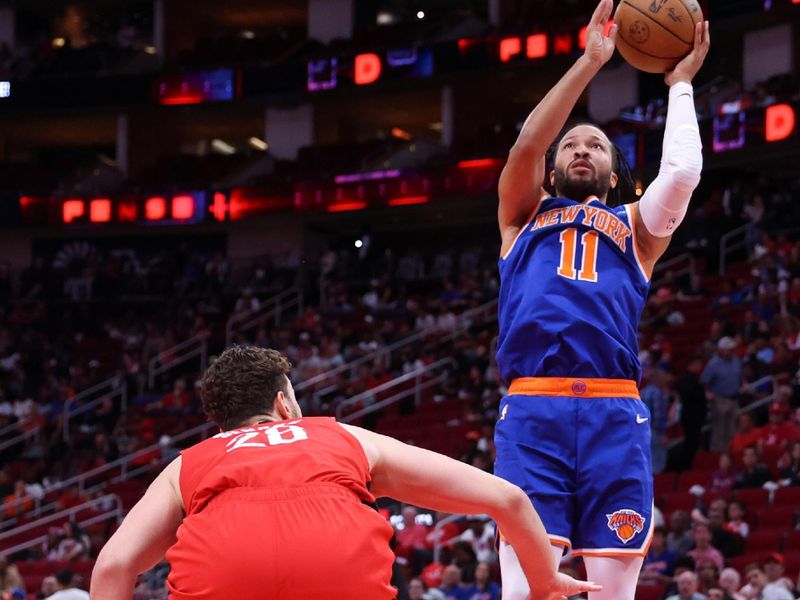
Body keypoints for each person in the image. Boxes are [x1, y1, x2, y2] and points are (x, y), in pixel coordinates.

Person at [493, 0, 710, 595]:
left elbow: (684, 174)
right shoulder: (521, 214)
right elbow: (525, 145)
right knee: (526, 591)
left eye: (595, 145)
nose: (580, 149)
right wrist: (591, 62)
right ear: (554, 167)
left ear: (615, 175)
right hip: (535, 408)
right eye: (571, 145)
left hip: (615, 411)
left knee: (613, 592)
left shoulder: (637, 230)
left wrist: (681, 86)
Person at [91, 346, 598, 600]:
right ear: (284, 402)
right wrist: (545, 582)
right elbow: (508, 498)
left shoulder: (190, 462)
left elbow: (113, 568)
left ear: (221, 420)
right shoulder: (342, 435)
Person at [702, 337, 743, 452]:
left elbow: (740, 375)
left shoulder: (736, 360)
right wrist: (708, 393)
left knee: (733, 429)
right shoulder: (713, 364)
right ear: (721, 350)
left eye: (732, 349)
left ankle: (732, 453)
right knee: (719, 429)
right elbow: (705, 381)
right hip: (720, 398)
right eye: (728, 349)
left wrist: (744, 384)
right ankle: (717, 455)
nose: (731, 351)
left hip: (734, 398)